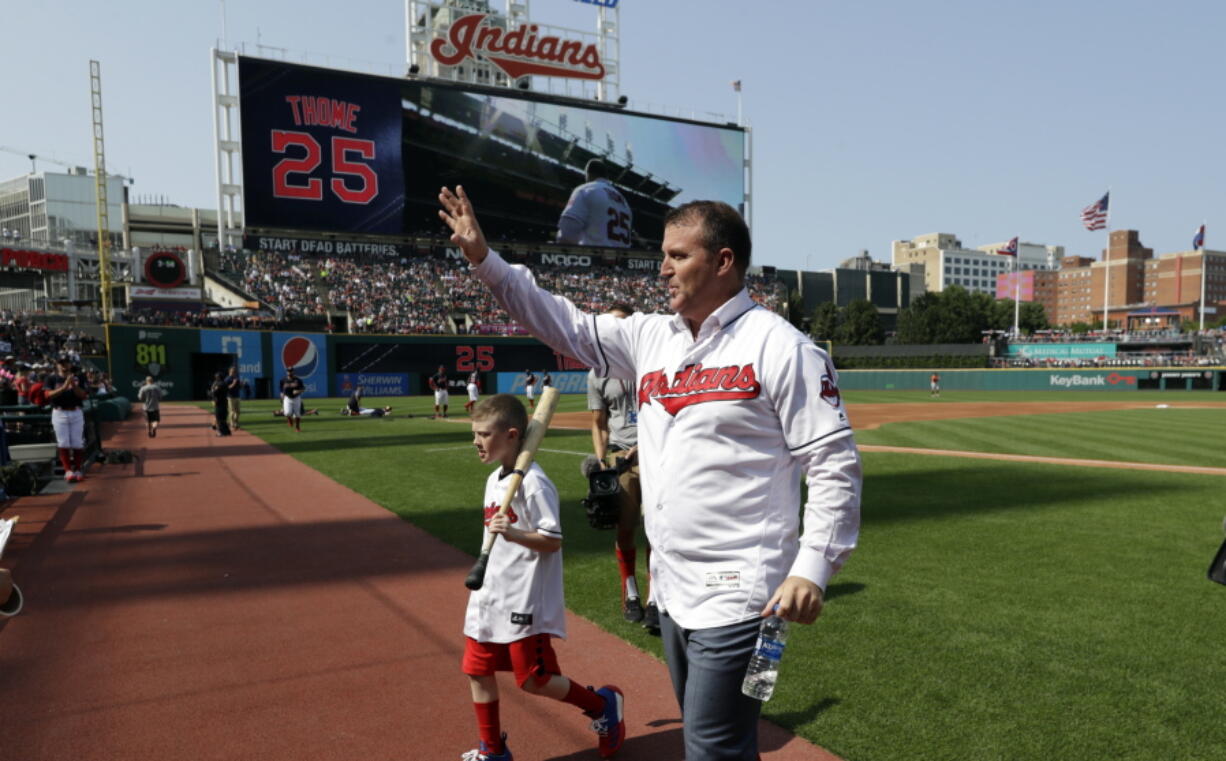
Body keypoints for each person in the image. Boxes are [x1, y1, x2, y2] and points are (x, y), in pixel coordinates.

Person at [440, 186, 862, 761]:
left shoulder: (783, 348)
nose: (661, 269)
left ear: (723, 262)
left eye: (677, 256)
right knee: (716, 740)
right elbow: (560, 323)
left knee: (711, 747)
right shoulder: (650, 338)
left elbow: (834, 465)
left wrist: (812, 567)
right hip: (672, 589)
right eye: (662, 255)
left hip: (743, 593)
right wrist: (485, 262)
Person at [461, 394, 625, 761]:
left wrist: (515, 533)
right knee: (477, 669)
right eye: (475, 433)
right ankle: (493, 750)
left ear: (512, 435)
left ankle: (602, 706)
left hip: (523, 596)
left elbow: (553, 540)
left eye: (484, 434)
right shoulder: (494, 479)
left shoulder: (534, 483)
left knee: (534, 680)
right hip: (489, 591)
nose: (476, 441)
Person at [587, 304, 656, 630]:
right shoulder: (597, 372)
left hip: (656, 454)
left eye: (623, 325)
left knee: (658, 530)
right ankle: (630, 593)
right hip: (618, 458)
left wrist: (644, 445)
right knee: (625, 527)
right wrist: (602, 460)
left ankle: (656, 597)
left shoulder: (654, 363)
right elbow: (598, 423)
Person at [557, 159, 634, 248]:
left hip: (593, 258)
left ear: (588, 173)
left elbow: (567, 235)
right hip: (623, 259)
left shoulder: (586, 189)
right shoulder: (624, 201)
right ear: (606, 176)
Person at [46, 359, 89, 483]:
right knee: (63, 442)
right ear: (57, 365)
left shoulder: (79, 377)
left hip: (76, 411)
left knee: (77, 442)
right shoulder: (52, 378)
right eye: (61, 363)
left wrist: (73, 384)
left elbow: (83, 395)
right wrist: (64, 387)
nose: (64, 366)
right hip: (59, 411)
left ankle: (78, 470)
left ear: (70, 365)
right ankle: (68, 471)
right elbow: (48, 395)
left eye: (66, 363)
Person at [280, 367, 306, 432]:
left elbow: (303, 389)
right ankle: (289, 419)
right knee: (287, 413)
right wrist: (282, 394)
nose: (289, 372)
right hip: (287, 398)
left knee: (297, 414)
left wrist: (298, 391)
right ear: (286, 372)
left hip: (296, 398)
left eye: (291, 371)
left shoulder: (298, 380)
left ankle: (297, 428)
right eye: (288, 371)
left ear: (293, 372)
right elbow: (281, 389)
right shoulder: (283, 380)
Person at [210, 372, 231, 436]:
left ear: (219, 377)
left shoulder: (219, 384)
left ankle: (222, 432)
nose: (216, 378)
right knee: (223, 418)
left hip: (219, 403)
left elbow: (214, 392)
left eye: (217, 377)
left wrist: (211, 393)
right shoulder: (224, 383)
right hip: (224, 402)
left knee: (219, 418)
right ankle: (227, 431)